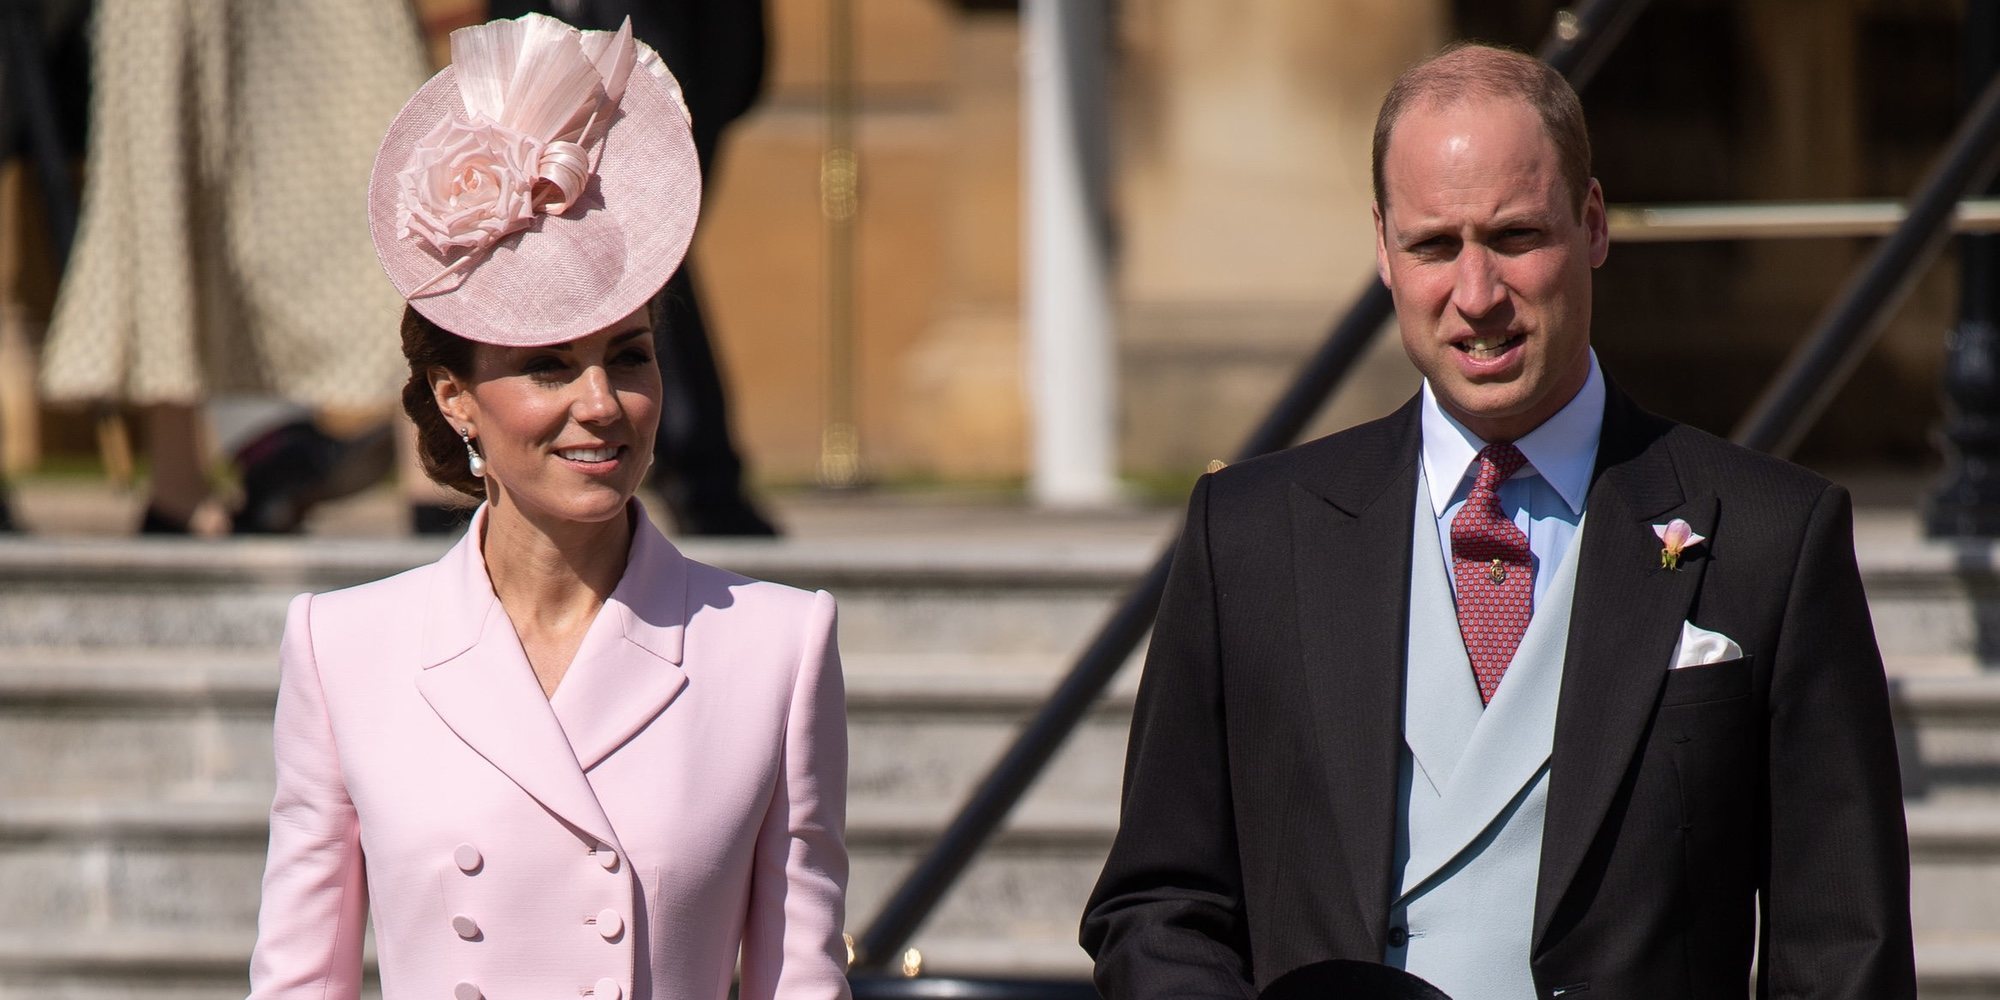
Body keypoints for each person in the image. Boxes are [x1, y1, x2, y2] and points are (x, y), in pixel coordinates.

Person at [1081, 43, 1914, 1000]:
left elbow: (1844, 950)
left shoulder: (1773, 534)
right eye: (1435, 245)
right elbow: (1156, 905)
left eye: (1515, 237)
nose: (1477, 297)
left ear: (1593, 224)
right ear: (1384, 251)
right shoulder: (1252, 535)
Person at [244, 15, 849, 1000]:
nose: (601, 404)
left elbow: (803, 986)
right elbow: (297, 985)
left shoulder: (776, 647)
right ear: (454, 397)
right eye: (546, 366)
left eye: (630, 355)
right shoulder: (343, 647)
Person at [490, 0, 780, 536]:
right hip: (546, 38)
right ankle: (697, 475)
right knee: (572, 248)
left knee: (649, 257)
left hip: (672, 40)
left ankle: (701, 473)